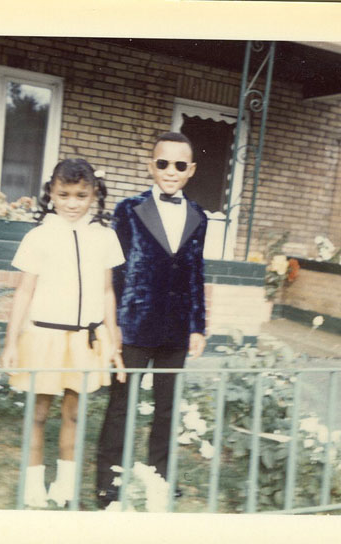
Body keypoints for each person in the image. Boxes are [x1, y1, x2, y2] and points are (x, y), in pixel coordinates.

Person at [0, 158, 126, 509]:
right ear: (51, 194)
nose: (72, 203)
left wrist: (113, 342)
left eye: (81, 195)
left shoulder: (104, 237)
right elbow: (23, 291)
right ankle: (33, 487)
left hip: (83, 340)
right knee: (38, 414)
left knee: (73, 414)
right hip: (45, 339)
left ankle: (65, 487)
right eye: (64, 194)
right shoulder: (38, 236)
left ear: (94, 196)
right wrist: (11, 341)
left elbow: (106, 293)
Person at [96, 132, 207, 508]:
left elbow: (195, 272)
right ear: (151, 166)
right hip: (135, 324)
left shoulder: (197, 216)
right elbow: (117, 271)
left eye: (179, 165)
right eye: (163, 163)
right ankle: (109, 480)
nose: (170, 171)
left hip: (176, 328)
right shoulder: (129, 210)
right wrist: (114, 326)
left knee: (166, 405)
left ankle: (159, 475)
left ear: (190, 170)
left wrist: (198, 325)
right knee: (122, 403)